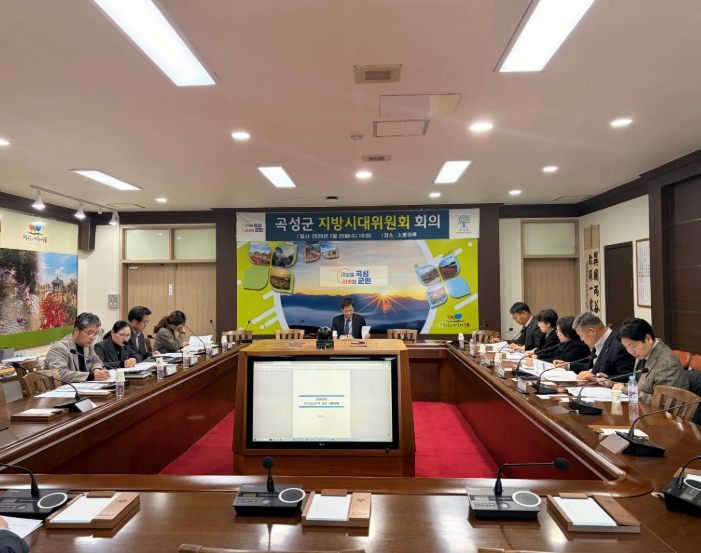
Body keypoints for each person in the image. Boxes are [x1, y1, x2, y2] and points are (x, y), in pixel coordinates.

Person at [597, 317, 689, 404]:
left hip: (664, 414)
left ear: (648, 339)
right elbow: (639, 386)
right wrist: (611, 383)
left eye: (633, 346)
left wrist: (624, 390)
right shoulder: (644, 353)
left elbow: (663, 403)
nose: (630, 351)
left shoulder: (667, 363)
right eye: (626, 347)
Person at [560, 312, 634, 380]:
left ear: (592, 331)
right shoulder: (598, 342)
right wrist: (568, 366)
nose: (581, 339)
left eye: (581, 335)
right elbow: (595, 367)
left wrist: (596, 378)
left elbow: (627, 377)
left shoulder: (618, 346)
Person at [44, 312, 111, 382]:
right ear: (76, 330)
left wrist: (97, 370)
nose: (93, 338)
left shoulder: (88, 345)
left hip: (84, 386)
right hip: (62, 388)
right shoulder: (59, 348)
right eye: (90, 333)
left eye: (96, 334)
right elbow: (59, 373)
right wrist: (91, 376)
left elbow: (96, 361)